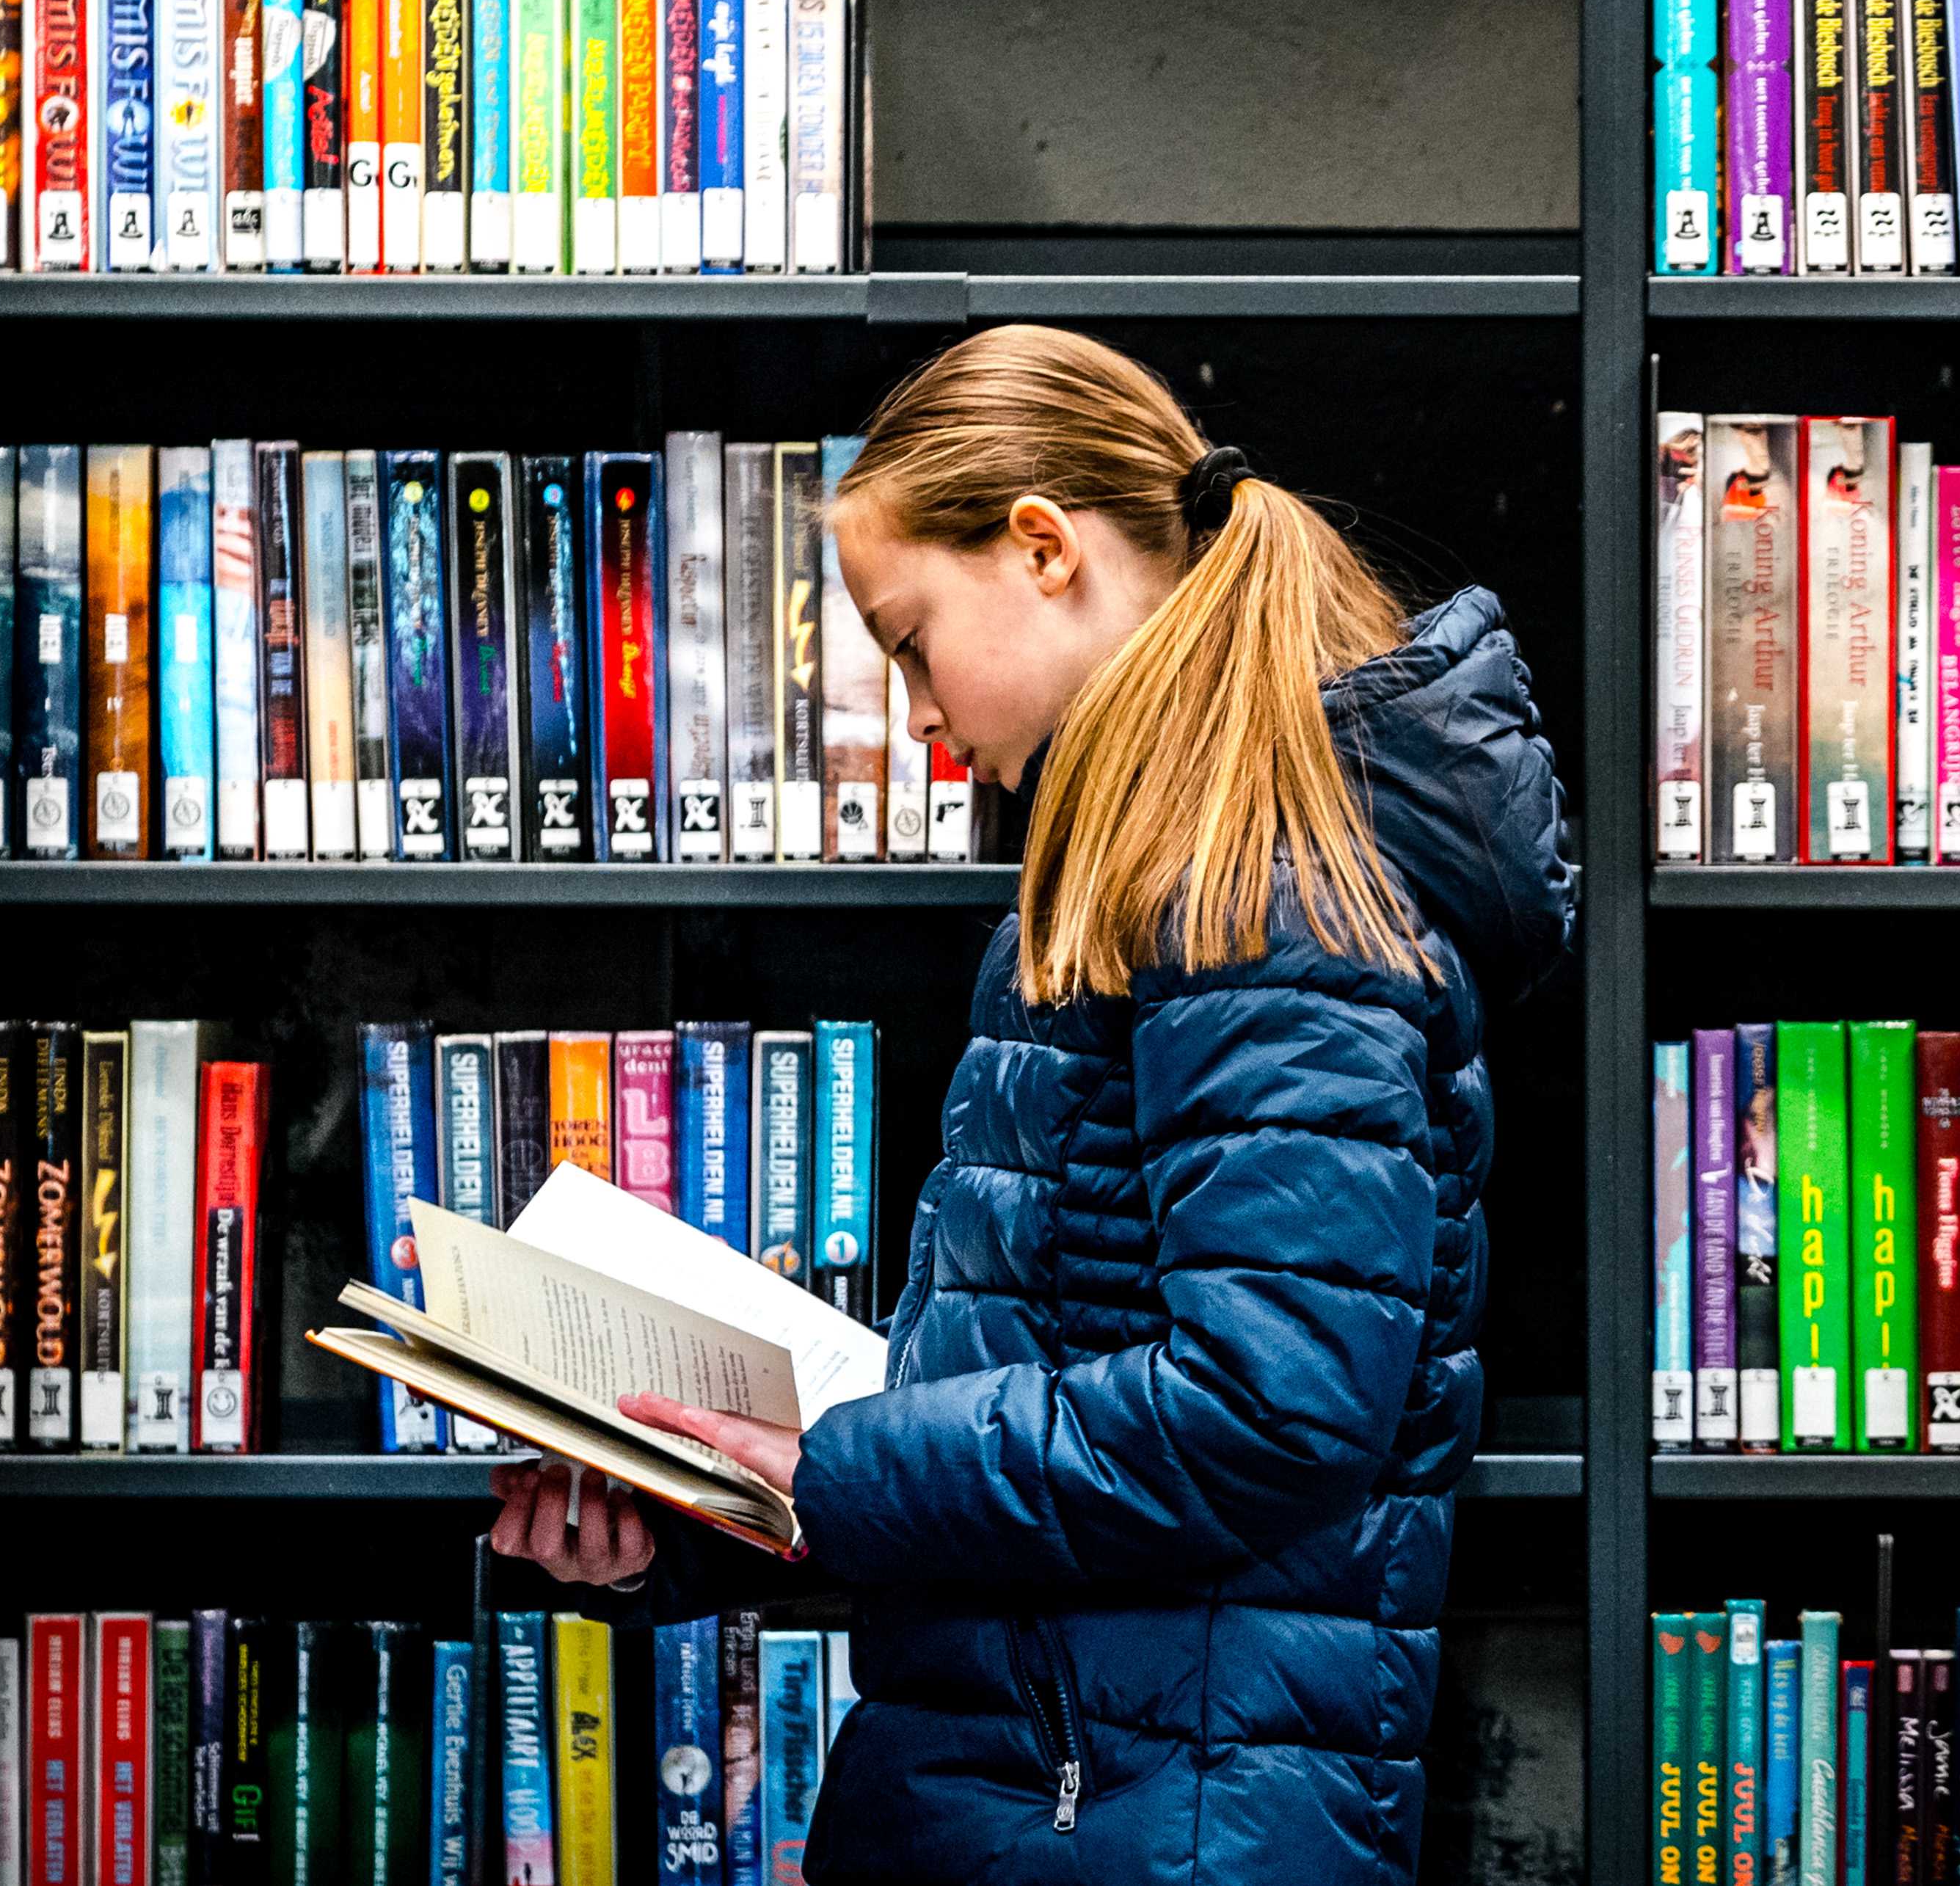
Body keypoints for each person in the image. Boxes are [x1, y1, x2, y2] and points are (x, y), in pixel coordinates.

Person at [486, 325, 1574, 1881]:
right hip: (1066, 1795)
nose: (915, 712)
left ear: (1042, 550)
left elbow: (1267, 1404)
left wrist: (831, 1472)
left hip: (1139, 1826)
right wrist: (704, 1508)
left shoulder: (1254, 887)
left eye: (912, 639)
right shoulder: (1164, 861)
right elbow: (1061, 1383)